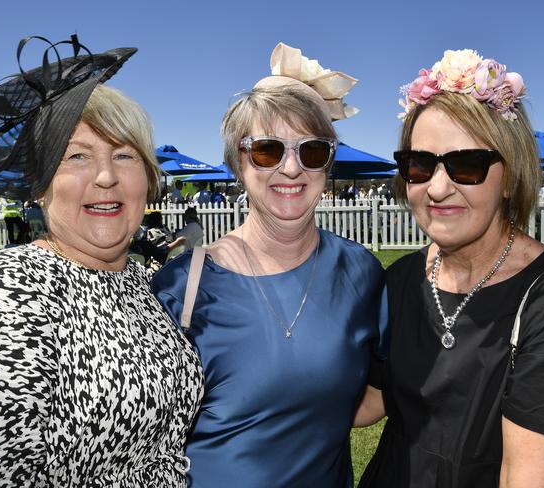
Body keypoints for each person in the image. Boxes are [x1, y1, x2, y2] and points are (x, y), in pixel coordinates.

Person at [0, 35, 203, 486]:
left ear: (147, 180)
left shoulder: (140, 281)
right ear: (39, 184)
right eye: (76, 155)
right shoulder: (10, 291)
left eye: (124, 155)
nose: (107, 176)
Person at [152, 42, 387, 487]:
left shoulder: (360, 272)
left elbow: (377, 395)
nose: (292, 168)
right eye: (267, 150)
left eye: (312, 151)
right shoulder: (179, 286)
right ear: (239, 162)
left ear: (328, 162)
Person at [359, 49, 544, 487]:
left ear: (511, 175)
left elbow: (529, 477)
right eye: (419, 165)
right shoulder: (401, 279)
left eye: (467, 165)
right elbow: (369, 404)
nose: (437, 188)